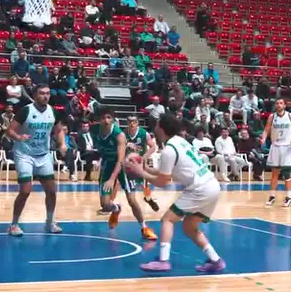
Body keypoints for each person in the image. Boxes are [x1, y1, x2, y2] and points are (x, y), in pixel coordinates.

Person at [131, 113, 225, 273]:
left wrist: (140, 172)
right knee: (189, 227)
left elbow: (163, 182)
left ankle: (163, 260)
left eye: (157, 125)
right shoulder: (180, 142)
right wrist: (144, 168)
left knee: (167, 219)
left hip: (199, 189)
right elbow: (167, 172)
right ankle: (216, 260)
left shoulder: (169, 150)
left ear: (161, 128)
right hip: (212, 186)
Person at [6, 85, 66, 236]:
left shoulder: (53, 111)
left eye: (47, 93)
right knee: (25, 191)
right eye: (42, 93)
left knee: (51, 191)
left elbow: (58, 130)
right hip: (24, 154)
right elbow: (9, 130)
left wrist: (62, 144)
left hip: (43, 154)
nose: (45, 96)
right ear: (35, 95)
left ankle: (49, 222)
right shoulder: (26, 110)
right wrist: (19, 137)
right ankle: (14, 224)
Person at [93, 108, 158, 240]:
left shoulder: (120, 134)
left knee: (132, 200)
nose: (106, 120)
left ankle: (144, 227)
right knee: (105, 205)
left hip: (123, 167)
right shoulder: (96, 130)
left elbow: (121, 160)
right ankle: (116, 209)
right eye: (104, 118)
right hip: (108, 166)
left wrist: (112, 179)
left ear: (113, 120)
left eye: (109, 118)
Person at [262, 98, 291, 208]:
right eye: (277, 103)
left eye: (281, 103)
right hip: (275, 146)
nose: (279, 105)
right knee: (274, 173)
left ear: (284, 105)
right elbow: (266, 130)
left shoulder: (290, 116)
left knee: (286, 173)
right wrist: (263, 138)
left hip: (287, 146)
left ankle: (288, 198)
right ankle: (272, 196)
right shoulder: (271, 117)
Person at [123, 115, 160, 212]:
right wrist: (126, 145)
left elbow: (153, 147)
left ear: (137, 123)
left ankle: (148, 198)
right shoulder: (123, 133)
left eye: (134, 121)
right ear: (127, 122)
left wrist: (144, 158)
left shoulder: (144, 133)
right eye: (130, 121)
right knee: (131, 186)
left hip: (140, 163)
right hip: (129, 164)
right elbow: (119, 146)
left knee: (144, 185)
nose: (132, 123)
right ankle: (114, 204)